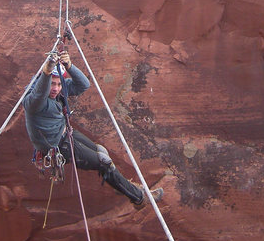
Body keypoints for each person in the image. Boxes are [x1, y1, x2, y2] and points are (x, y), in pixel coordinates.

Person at [23, 49, 162, 207]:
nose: (56, 89)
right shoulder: (33, 102)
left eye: (59, 84)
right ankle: (138, 198)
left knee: (101, 151)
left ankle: (126, 187)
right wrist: (46, 74)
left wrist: (69, 66)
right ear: (45, 81)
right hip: (57, 146)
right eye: (52, 84)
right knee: (104, 161)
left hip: (64, 134)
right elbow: (39, 95)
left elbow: (83, 85)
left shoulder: (58, 91)